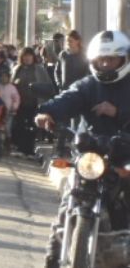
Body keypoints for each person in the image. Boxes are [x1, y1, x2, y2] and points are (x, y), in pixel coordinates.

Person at [35, 30, 130, 268]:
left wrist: (118, 112)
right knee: (68, 203)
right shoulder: (88, 85)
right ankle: (53, 259)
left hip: (124, 155)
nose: (106, 64)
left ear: (124, 59)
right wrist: (48, 112)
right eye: (101, 59)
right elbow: (69, 97)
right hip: (91, 155)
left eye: (112, 59)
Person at [10, 46, 53, 157]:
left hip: (34, 102)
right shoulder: (17, 69)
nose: (27, 58)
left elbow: (47, 85)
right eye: (25, 56)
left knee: (31, 126)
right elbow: (11, 84)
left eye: (29, 56)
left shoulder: (39, 69)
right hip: (20, 103)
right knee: (19, 126)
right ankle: (20, 148)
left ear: (33, 57)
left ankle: (29, 150)